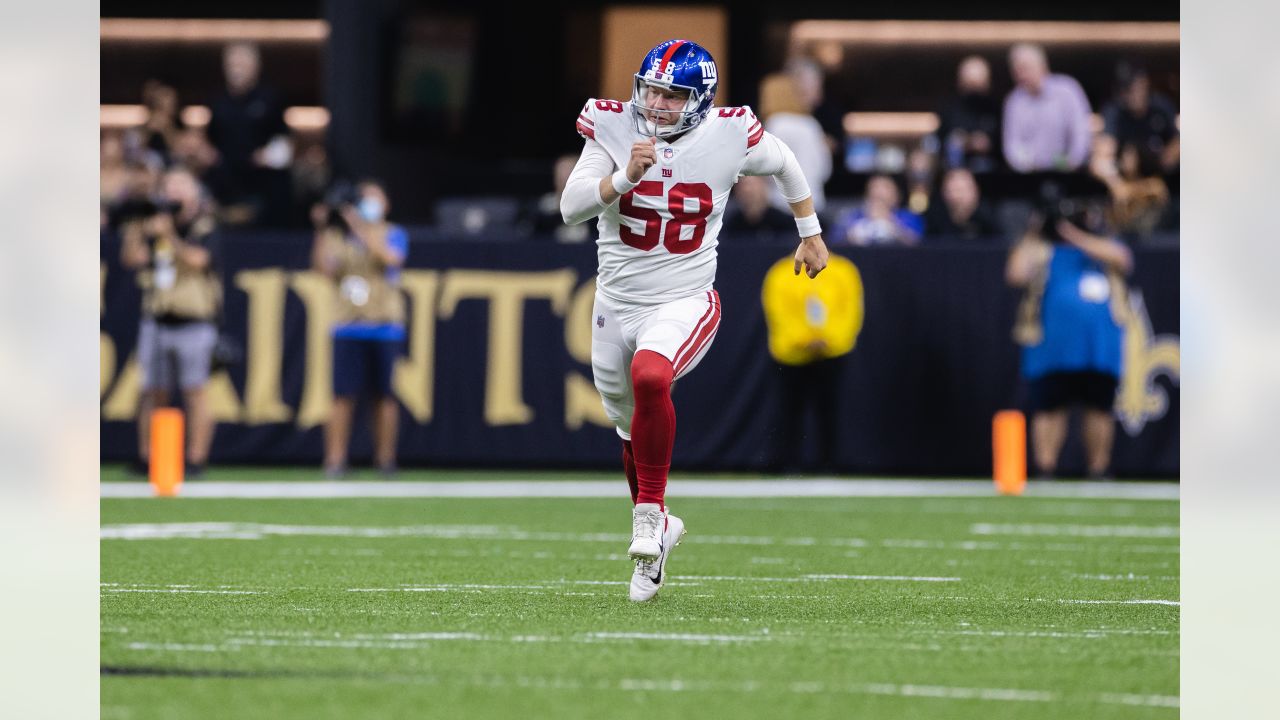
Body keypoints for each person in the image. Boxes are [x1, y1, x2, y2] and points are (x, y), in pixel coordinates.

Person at [560, 39, 829, 602]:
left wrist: (810, 232)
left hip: (684, 298)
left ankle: (650, 516)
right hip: (615, 303)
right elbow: (572, 205)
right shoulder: (611, 124)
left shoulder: (728, 133)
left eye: (671, 95)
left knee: (653, 376)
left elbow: (783, 161)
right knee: (628, 426)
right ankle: (656, 541)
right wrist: (624, 179)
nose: (655, 104)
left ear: (700, 101)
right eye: (650, 89)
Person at [1005, 198, 1132, 480]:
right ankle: (1045, 467)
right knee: (1049, 407)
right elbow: (1015, 273)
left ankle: (1098, 469)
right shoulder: (1041, 248)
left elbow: (1123, 258)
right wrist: (1035, 231)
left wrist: (1074, 234)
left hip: (1098, 346)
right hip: (1052, 345)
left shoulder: (1102, 245)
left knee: (1099, 408)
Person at [119, 167, 222, 478]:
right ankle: (149, 454)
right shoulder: (153, 224)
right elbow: (131, 259)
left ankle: (196, 457)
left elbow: (198, 260)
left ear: (194, 192)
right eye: (170, 185)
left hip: (194, 319)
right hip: (157, 318)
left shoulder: (203, 224)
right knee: (152, 391)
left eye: (181, 184)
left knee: (195, 391)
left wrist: (169, 235)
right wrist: (139, 225)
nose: (175, 191)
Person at [311, 180, 408, 478]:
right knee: (342, 395)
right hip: (348, 325)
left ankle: (385, 458)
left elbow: (392, 260)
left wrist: (361, 230)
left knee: (384, 396)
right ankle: (336, 458)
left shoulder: (393, 233)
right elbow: (323, 270)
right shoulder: (338, 235)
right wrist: (321, 228)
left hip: (383, 325)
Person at [761, 252, 863, 473]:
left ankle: (831, 462)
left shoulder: (843, 270)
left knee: (831, 410)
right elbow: (778, 313)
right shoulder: (781, 272)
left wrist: (829, 339)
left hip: (832, 353)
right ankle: (787, 463)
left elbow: (851, 311)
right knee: (789, 410)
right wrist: (804, 340)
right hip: (792, 355)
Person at [205, 42, 293, 226]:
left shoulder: (270, 99)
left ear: (255, 67)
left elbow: (284, 142)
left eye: (241, 64)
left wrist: (266, 156)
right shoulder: (218, 102)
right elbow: (210, 141)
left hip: (263, 185)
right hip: (227, 184)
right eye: (231, 65)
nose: (236, 70)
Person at [1002, 44, 1093, 172]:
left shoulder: (1068, 90)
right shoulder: (1014, 101)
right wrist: (1025, 166)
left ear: (1042, 66)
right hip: (1030, 174)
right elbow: (1012, 144)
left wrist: (1073, 161)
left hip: (1069, 171)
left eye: (1025, 68)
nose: (1021, 75)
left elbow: (1081, 131)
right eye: (1016, 71)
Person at [759, 65, 832, 213]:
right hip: (814, 204)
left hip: (783, 206)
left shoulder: (775, 123)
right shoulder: (811, 124)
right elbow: (825, 170)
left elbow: (767, 169)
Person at [935, 55, 1002, 174]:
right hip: (955, 171)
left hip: (992, 173)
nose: (973, 90)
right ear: (960, 82)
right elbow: (939, 142)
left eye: (977, 84)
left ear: (987, 82)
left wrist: (989, 143)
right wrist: (959, 142)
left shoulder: (997, 109)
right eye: (969, 84)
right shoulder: (949, 109)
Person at [830, 174, 923, 246]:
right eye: (874, 187)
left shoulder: (908, 217)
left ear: (896, 196)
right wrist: (851, 235)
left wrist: (892, 224)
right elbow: (834, 240)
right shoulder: (852, 216)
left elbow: (918, 243)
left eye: (885, 187)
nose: (878, 192)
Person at [528, 154, 595, 242]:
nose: (564, 179)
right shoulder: (541, 210)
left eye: (569, 173)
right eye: (560, 174)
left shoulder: (597, 209)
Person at [925, 167, 1001, 241]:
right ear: (944, 193)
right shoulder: (933, 219)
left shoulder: (989, 218)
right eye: (954, 190)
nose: (958, 196)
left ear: (976, 191)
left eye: (963, 190)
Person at [721, 174, 795, 241]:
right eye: (742, 186)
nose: (747, 190)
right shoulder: (730, 226)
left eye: (752, 185)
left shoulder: (786, 223)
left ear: (764, 186)